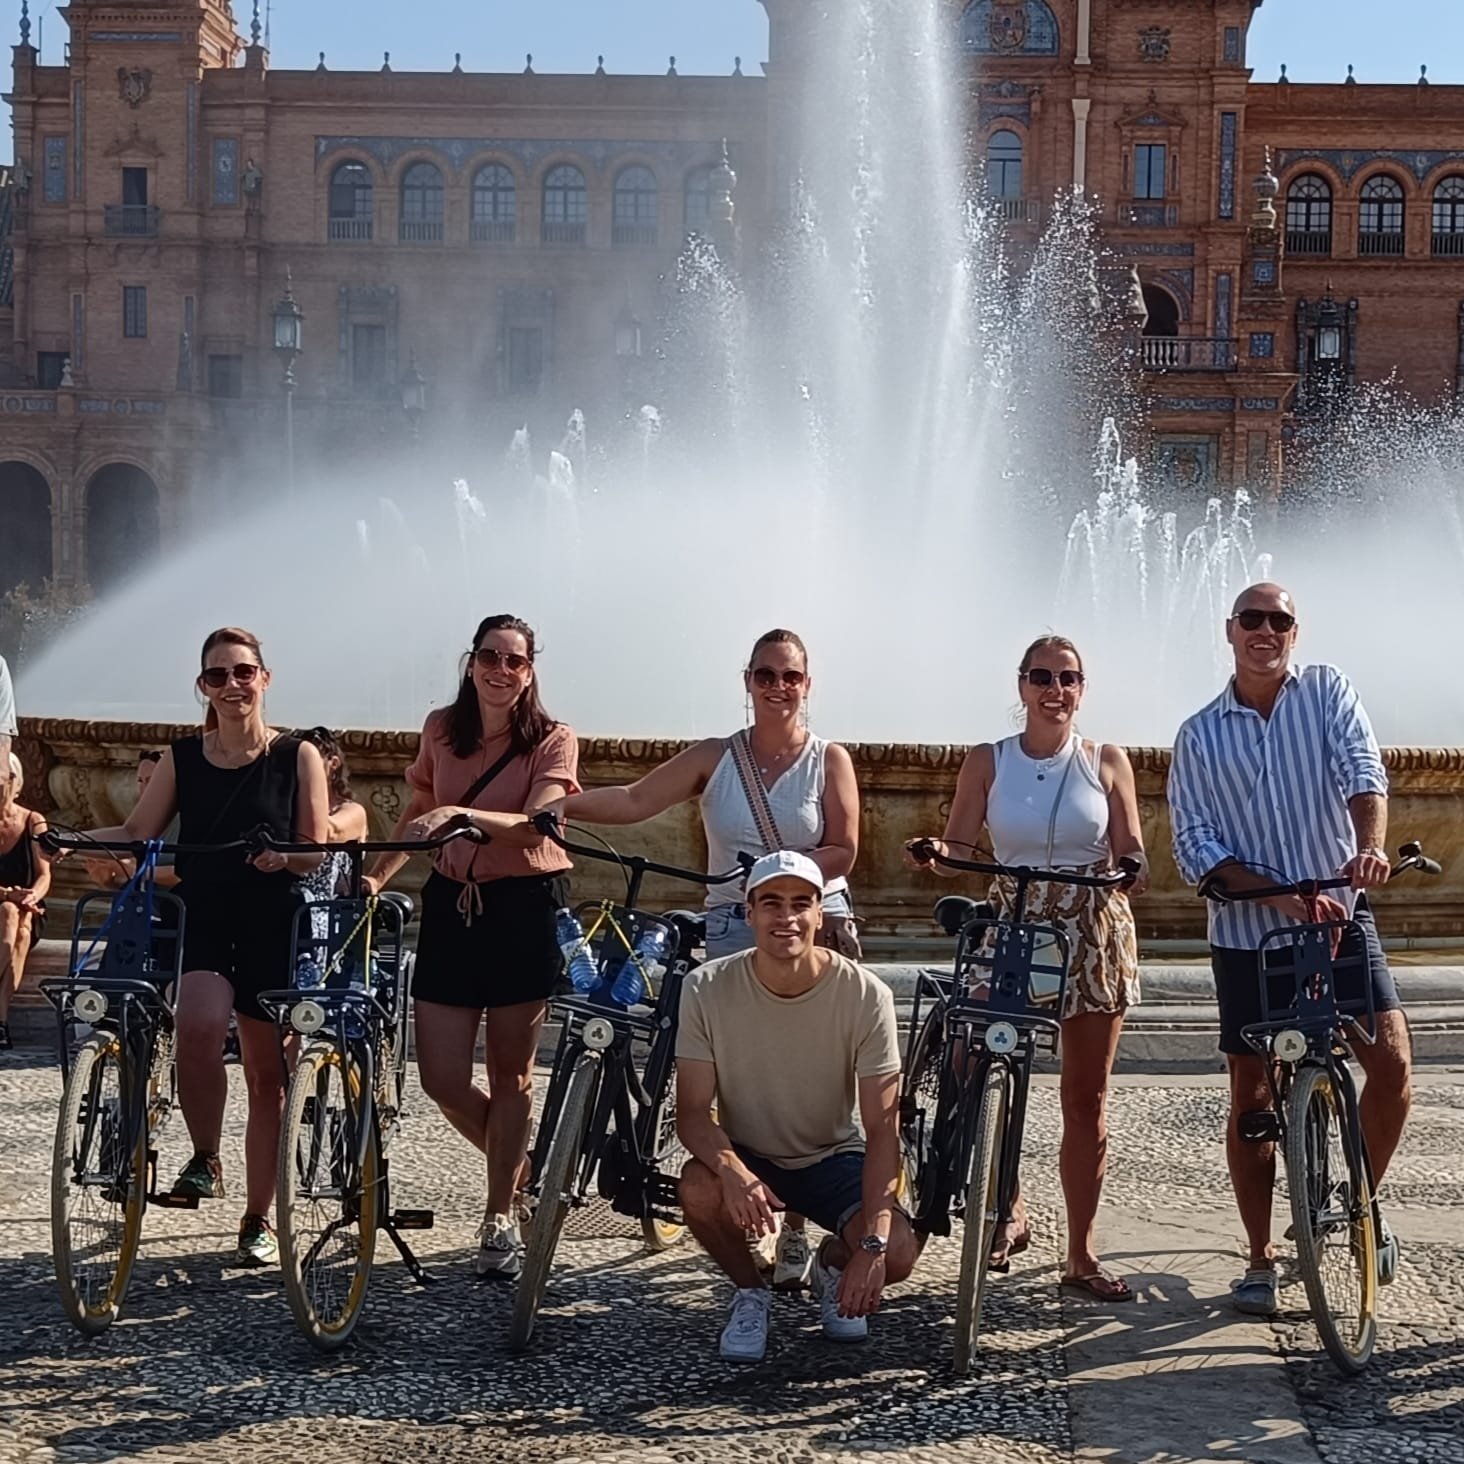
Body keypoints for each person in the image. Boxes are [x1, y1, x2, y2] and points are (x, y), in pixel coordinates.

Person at [549, 627, 860, 1290]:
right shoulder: (718, 757)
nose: (778, 688)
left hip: (806, 922)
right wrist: (564, 808)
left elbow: (845, 849)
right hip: (730, 923)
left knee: (810, 1066)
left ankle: (802, 1222)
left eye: (791, 677)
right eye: (765, 675)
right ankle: (738, 1176)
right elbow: (636, 800)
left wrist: (780, 881)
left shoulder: (829, 759)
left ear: (809, 685)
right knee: (733, 1060)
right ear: (747, 682)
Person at [1169, 582, 1402, 1317]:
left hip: (1340, 914)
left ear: (1294, 633)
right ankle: (1261, 1254)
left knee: (1393, 1067)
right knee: (1251, 1096)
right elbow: (1193, 845)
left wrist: (1369, 849)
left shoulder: (1327, 691)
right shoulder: (1199, 733)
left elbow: (1363, 770)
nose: (1265, 631)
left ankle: (1354, 1201)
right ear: (1230, 631)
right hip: (1250, 933)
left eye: (1280, 620)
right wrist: (1279, 895)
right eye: (1252, 620)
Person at [907, 634, 1148, 1302]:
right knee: (972, 1062)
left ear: (1082, 688)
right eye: (1041, 676)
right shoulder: (987, 761)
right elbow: (960, 846)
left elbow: (1131, 848)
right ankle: (1003, 1203)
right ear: (1021, 686)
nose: (1055, 689)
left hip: (1090, 928)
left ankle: (1081, 1252)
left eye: (1068, 678)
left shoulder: (1107, 760)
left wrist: (1132, 870)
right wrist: (935, 852)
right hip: (1012, 921)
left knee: (1085, 1099)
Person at [80, 628, 330, 1266]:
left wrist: (287, 857)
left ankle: (258, 1219)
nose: (232, 686)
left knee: (266, 1073)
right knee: (196, 1023)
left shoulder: (297, 755)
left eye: (243, 672)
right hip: (208, 914)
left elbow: (316, 847)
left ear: (264, 679)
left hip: (275, 919)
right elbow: (140, 831)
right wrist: (71, 839)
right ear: (203, 687)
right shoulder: (181, 757)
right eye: (217, 676)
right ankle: (206, 1155)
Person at [362, 614, 579, 1280]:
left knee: (510, 1075)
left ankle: (499, 1216)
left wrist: (462, 816)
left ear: (531, 669)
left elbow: (536, 825)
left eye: (515, 660)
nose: (501, 670)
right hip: (451, 906)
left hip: (523, 908)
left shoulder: (553, 739)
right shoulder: (439, 729)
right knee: (442, 1078)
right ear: (470, 661)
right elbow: (417, 810)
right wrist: (376, 874)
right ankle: (522, 1172)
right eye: (490, 656)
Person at [676, 850, 920, 1362]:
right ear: (748, 913)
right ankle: (750, 1292)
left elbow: (882, 1128)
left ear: (819, 915)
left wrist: (871, 1248)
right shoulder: (705, 987)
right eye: (770, 903)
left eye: (800, 904)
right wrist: (732, 1172)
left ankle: (831, 1266)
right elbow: (693, 1111)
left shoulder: (865, 994)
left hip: (831, 1155)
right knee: (697, 1186)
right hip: (749, 1153)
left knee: (897, 1253)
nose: (785, 918)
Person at [0, 752, 50, 1050]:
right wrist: (9, 895)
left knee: (20, 922)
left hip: (27, 907)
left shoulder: (33, 820)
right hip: (9, 904)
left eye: (4, 781)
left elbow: (44, 874)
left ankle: (1, 1022)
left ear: (16, 784)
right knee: (13, 917)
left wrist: (32, 895)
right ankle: (1, 1021)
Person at [83, 751, 181, 891]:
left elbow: (183, 874)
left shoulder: (186, 819)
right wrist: (109, 881)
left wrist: (132, 870)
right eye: (140, 780)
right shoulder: (141, 818)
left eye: (151, 780)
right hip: (151, 906)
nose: (144, 787)